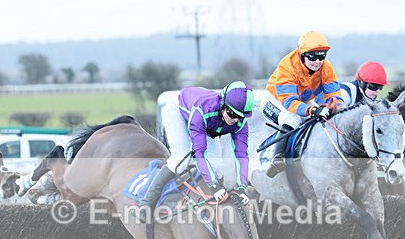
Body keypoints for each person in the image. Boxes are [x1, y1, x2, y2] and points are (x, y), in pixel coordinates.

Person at [135, 81, 255, 222]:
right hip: (178, 111)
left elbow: (241, 155)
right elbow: (200, 154)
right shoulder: (204, 110)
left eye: (240, 116)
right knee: (180, 161)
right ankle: (146, 203)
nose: (235, 119)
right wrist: (215, 187)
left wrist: (242, 187)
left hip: (209, 123)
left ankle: (213, 205)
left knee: (217, 169)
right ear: (223, 104)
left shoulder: (240, 124)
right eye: (231, 113)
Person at [260, 31, 345, 177]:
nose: (318, 61)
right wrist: (312, 110)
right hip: (276, 99)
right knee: (292, 119)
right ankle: (277, 157)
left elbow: (334, 95)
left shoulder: (326, 67)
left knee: (321, 118)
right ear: (302, 54)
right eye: (313, 56)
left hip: (301, 99)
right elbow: (289, 102)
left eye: (322, 56)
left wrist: (337, 106)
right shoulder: (287, 66)